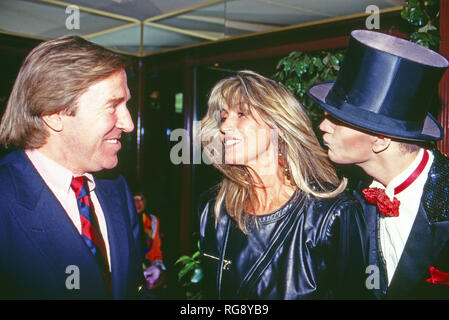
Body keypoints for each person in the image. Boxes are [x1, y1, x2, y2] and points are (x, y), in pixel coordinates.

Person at [198, 70, 368, 299]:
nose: (225, 127)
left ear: (277, 124)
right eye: (224, 116)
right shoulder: (216, 209)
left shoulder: (331, 214)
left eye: (241, 113)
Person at [0, 35, 145, 299]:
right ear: (54, 115)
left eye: (126, 104)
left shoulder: (116, 188)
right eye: (112, 106)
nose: (128, 123)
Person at [307, 30, 449, 299]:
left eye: (337, 120)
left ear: (380, 140)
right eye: (326, 116)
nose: (323, 126)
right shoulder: (349, 198)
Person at [133, 192, 166, 291]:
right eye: (132, 198)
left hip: (146, 270)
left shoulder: (152, 220)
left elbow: (155, 251)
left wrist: (158, 268)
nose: (136, 202)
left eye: (140, 198)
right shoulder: (120, 220)